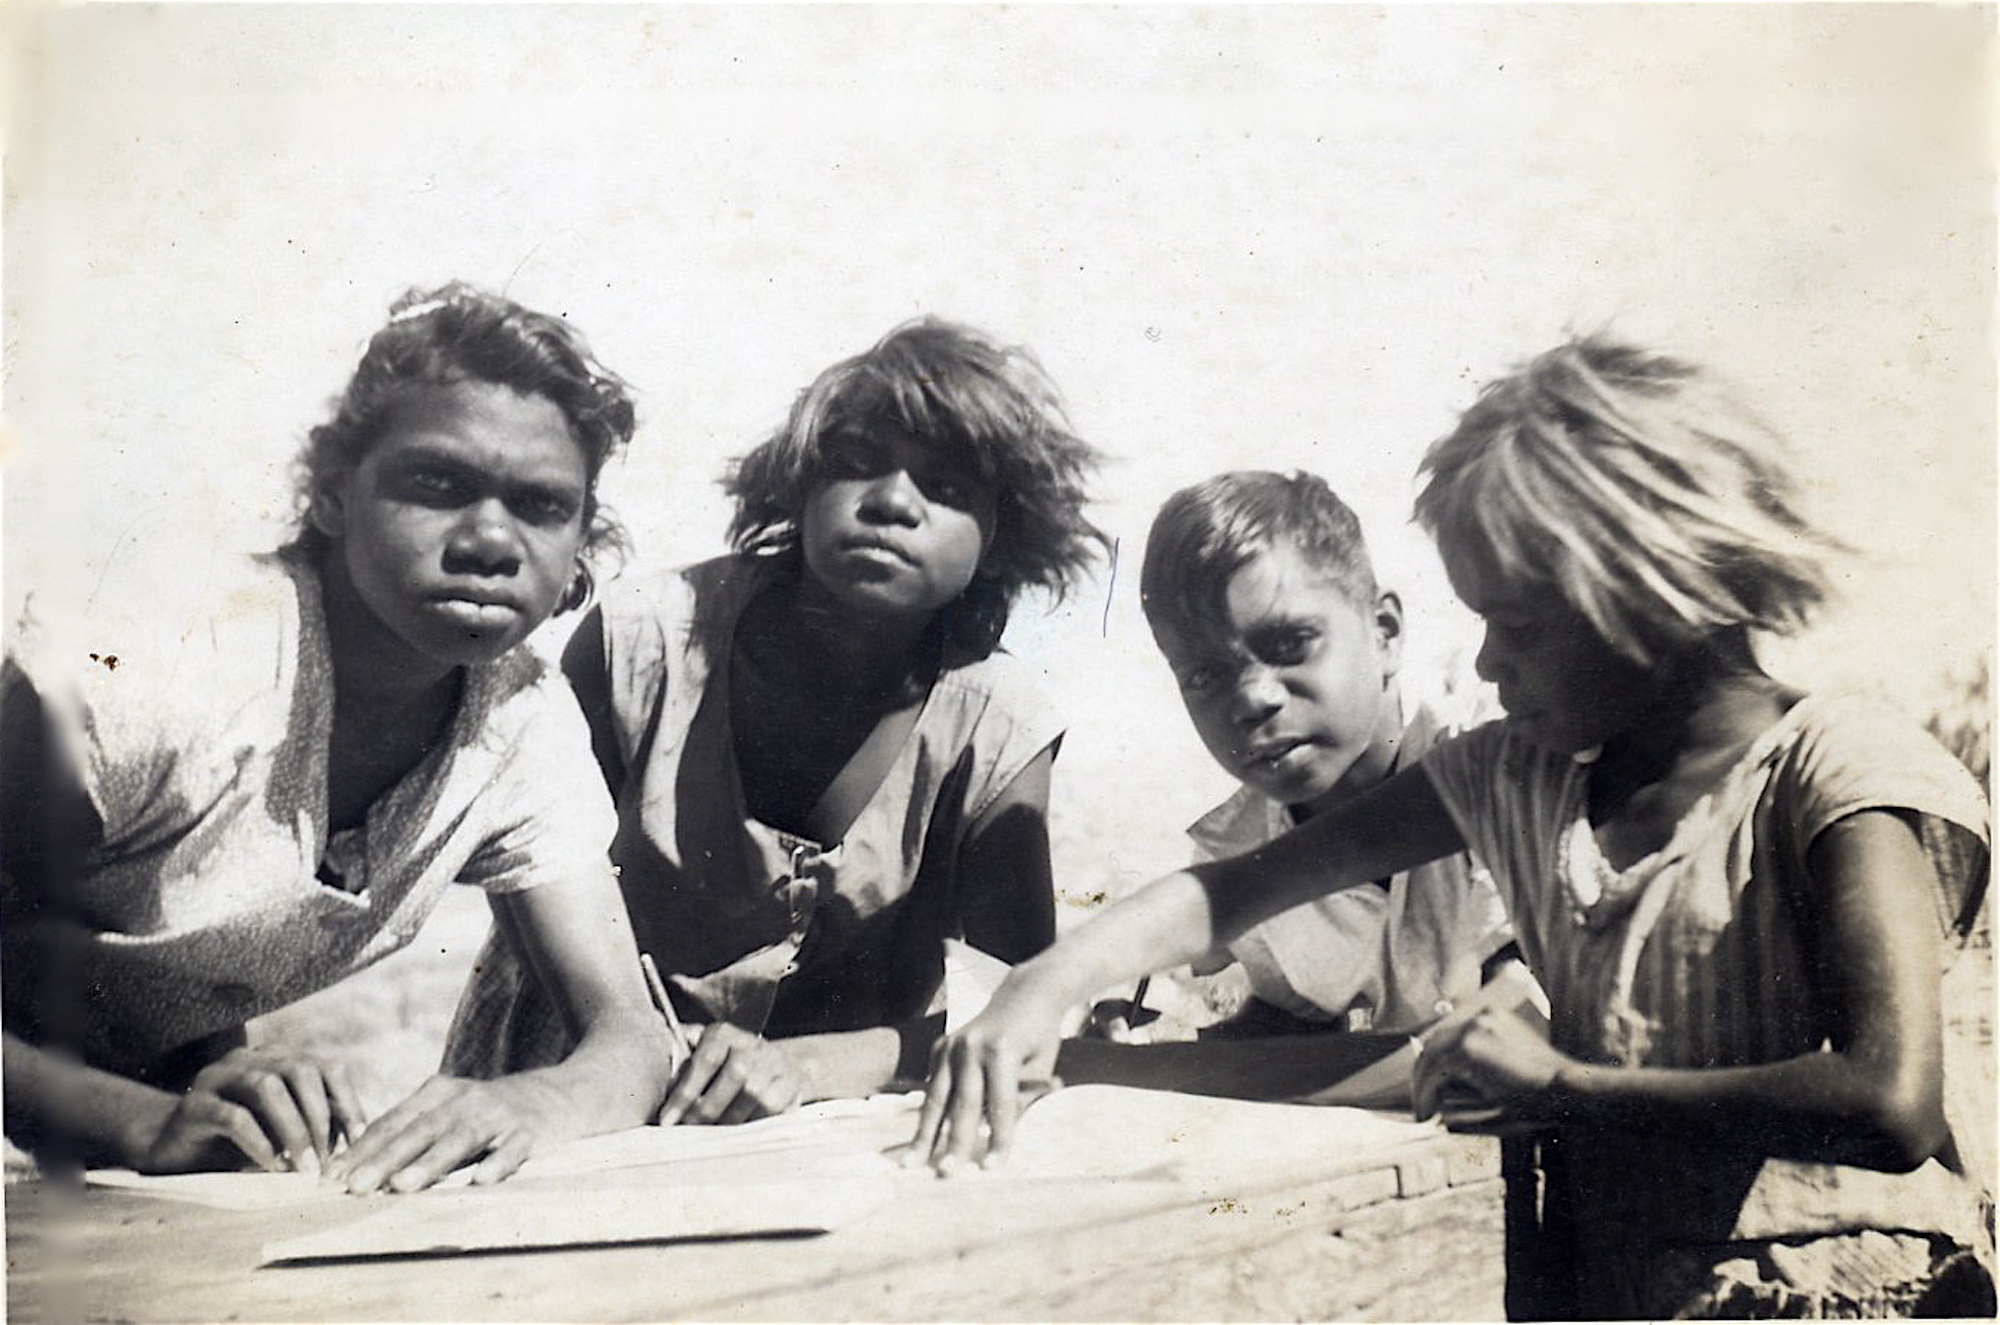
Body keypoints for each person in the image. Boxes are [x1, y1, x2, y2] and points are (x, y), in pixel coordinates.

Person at [911, 335, 1992, 1318]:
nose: (1482, 663)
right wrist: (1040, 993)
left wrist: (1560, 1086)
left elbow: (1883, 1098)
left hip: (1849, 1286)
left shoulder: (1834, 766)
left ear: (1652, 587)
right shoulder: (1513, 780)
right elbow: (1234, 889)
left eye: (1515, 624)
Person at [0, 283, 674, 1194]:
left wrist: (532, 1104)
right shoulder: (155, 664)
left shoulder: (522, 721)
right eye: (437, 485)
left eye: (541, 505)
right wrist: (146, 1123)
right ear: (330, 494)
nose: (488, 538)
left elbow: (629, 1035)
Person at [446, 316, 1106, 1126]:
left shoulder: (996, 728)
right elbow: (528, 874)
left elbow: (1018, 1017)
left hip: (824, 1123)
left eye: (948, 487)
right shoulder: (642, 638)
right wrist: (626, 1059)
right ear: (797, 483)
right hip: (565, 1090)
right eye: (856, 464)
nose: (893, 501)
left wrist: (812, 1064)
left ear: (1004, 538)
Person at [1101, 470, 1516, 1045]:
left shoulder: (1500, 759)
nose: (1252, 698)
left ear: (1386, 634)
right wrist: (1161, 1045)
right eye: (1203, 674)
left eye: (1290, 645)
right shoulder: (1237, 845)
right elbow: (1297, 1020)